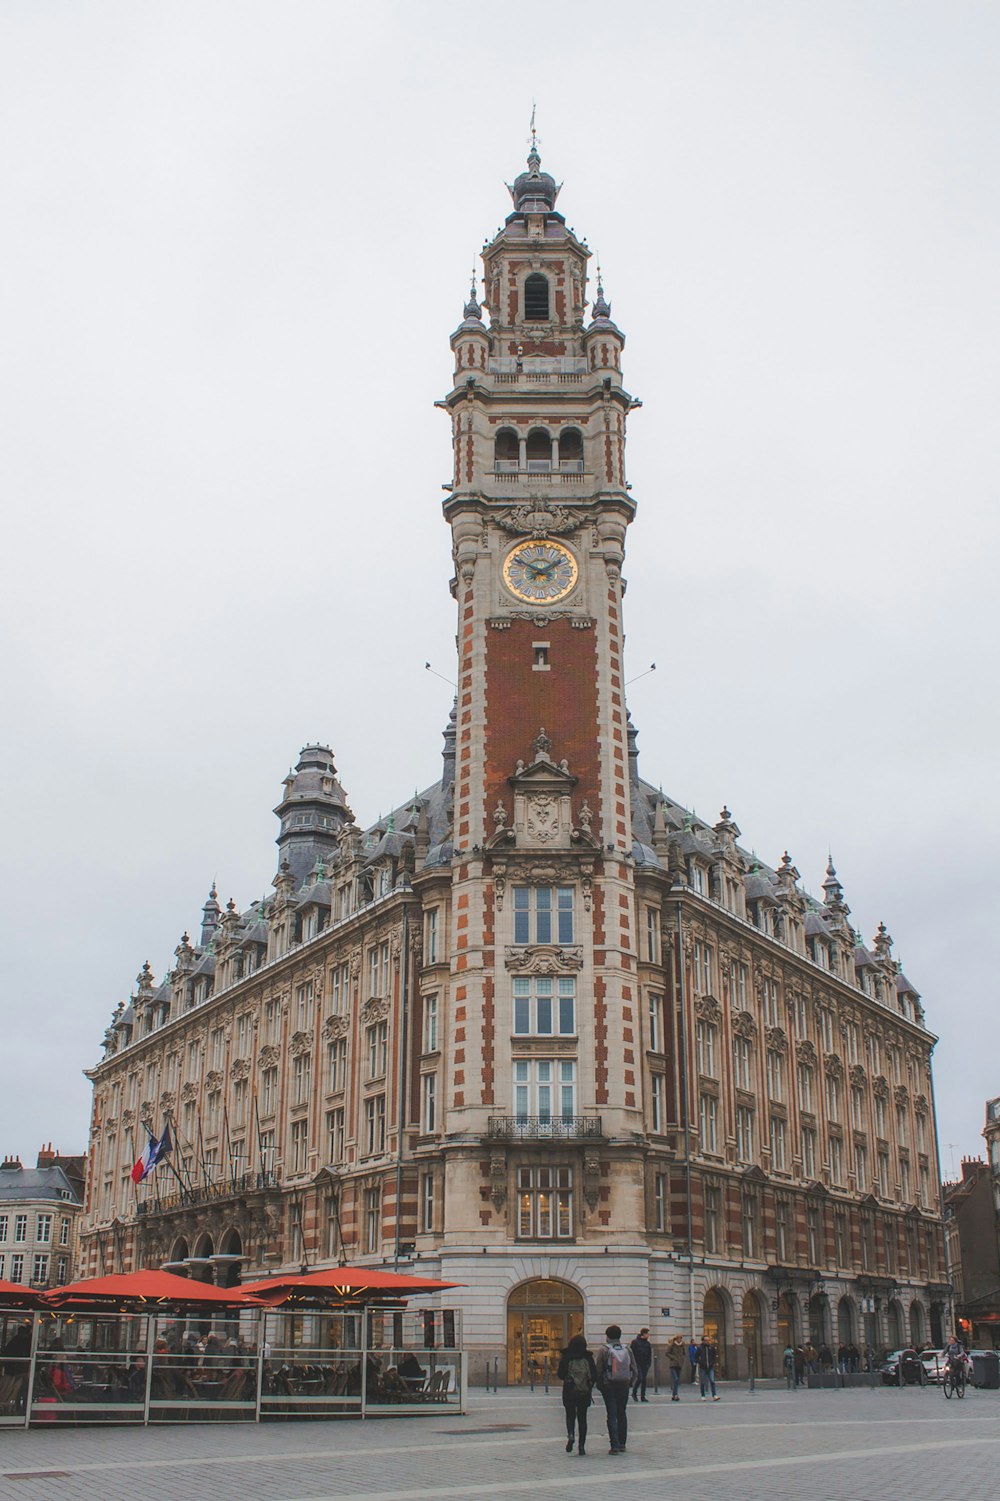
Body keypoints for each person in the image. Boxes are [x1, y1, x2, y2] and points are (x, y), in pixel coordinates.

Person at [595, 1325, 637, 1455]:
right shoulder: (627, 1349)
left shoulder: (604, 1350)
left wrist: (599, 1384)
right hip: (623, 1384)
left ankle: (614, 1446)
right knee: (622, 1413)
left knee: (612, 1414)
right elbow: (634, 1369)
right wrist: (630, 1382)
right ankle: (622, 1443)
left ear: (607, 1336)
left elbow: (599, 1369)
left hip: (609, 1385)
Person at [557, 1333, 597, 1456]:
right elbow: (594, 1374)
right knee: (582, 1418)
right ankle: (581, 1446)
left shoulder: (566, 1356)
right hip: (584, 1391)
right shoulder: (588, 1357)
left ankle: (571, 1435)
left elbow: (560, 1374)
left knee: (570, 1415)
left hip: (570, 1390)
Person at [630, 1328, 652, 1402]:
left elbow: (649, 1354)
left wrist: (649, 1363)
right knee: (640, 1378)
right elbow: (631, 1353)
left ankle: (643, 1396)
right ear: (644, 1334)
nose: (649, 1335)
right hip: (637, 1362)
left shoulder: (648, 1343)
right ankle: (634, 1393)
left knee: (644, 1380)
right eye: (648, 1333)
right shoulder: (635, 1342)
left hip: (645, 1363)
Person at [696, 1334, 720, 1401]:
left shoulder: (711, 1347)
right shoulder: (700, 1348)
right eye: (705, 1340)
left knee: (712, 1381)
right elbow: (696, 1356)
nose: (707, 1341)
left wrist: (713, 1362)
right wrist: (700, 1362)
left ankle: (714, 1395)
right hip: (703, 1367)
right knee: (703, 1382)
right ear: (703, 1341)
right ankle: (703, 1395)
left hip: (710, 1367)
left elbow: (714, 1356)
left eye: (708, 1340)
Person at [667, 1335, 686, 1401]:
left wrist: (682, 1359)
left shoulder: (682, 1345)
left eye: (681, 1338)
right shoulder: (672, 1345)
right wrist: (673, 1358)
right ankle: (675, 1394)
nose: (680, 1340)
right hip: (673, 1364)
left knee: (677, 1380)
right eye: (679, 1338)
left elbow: (684, 1353)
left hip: (679, 1364)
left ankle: (674, 1394)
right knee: (675, 1379)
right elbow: (667, 1353)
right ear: (676, 1339)